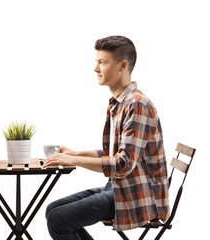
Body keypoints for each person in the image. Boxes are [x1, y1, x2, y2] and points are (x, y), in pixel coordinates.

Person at [44, 35, 169, 240]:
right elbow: (116, 152)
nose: (95, 69)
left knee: (58, 219)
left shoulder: (136, 105)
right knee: (53, 210)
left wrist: (73, 160)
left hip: (137, 197)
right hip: (120, 187)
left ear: (122, 66)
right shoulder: (120, 102)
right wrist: (75, 153)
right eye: (96, 62)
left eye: (102, 62)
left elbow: (123, 163)